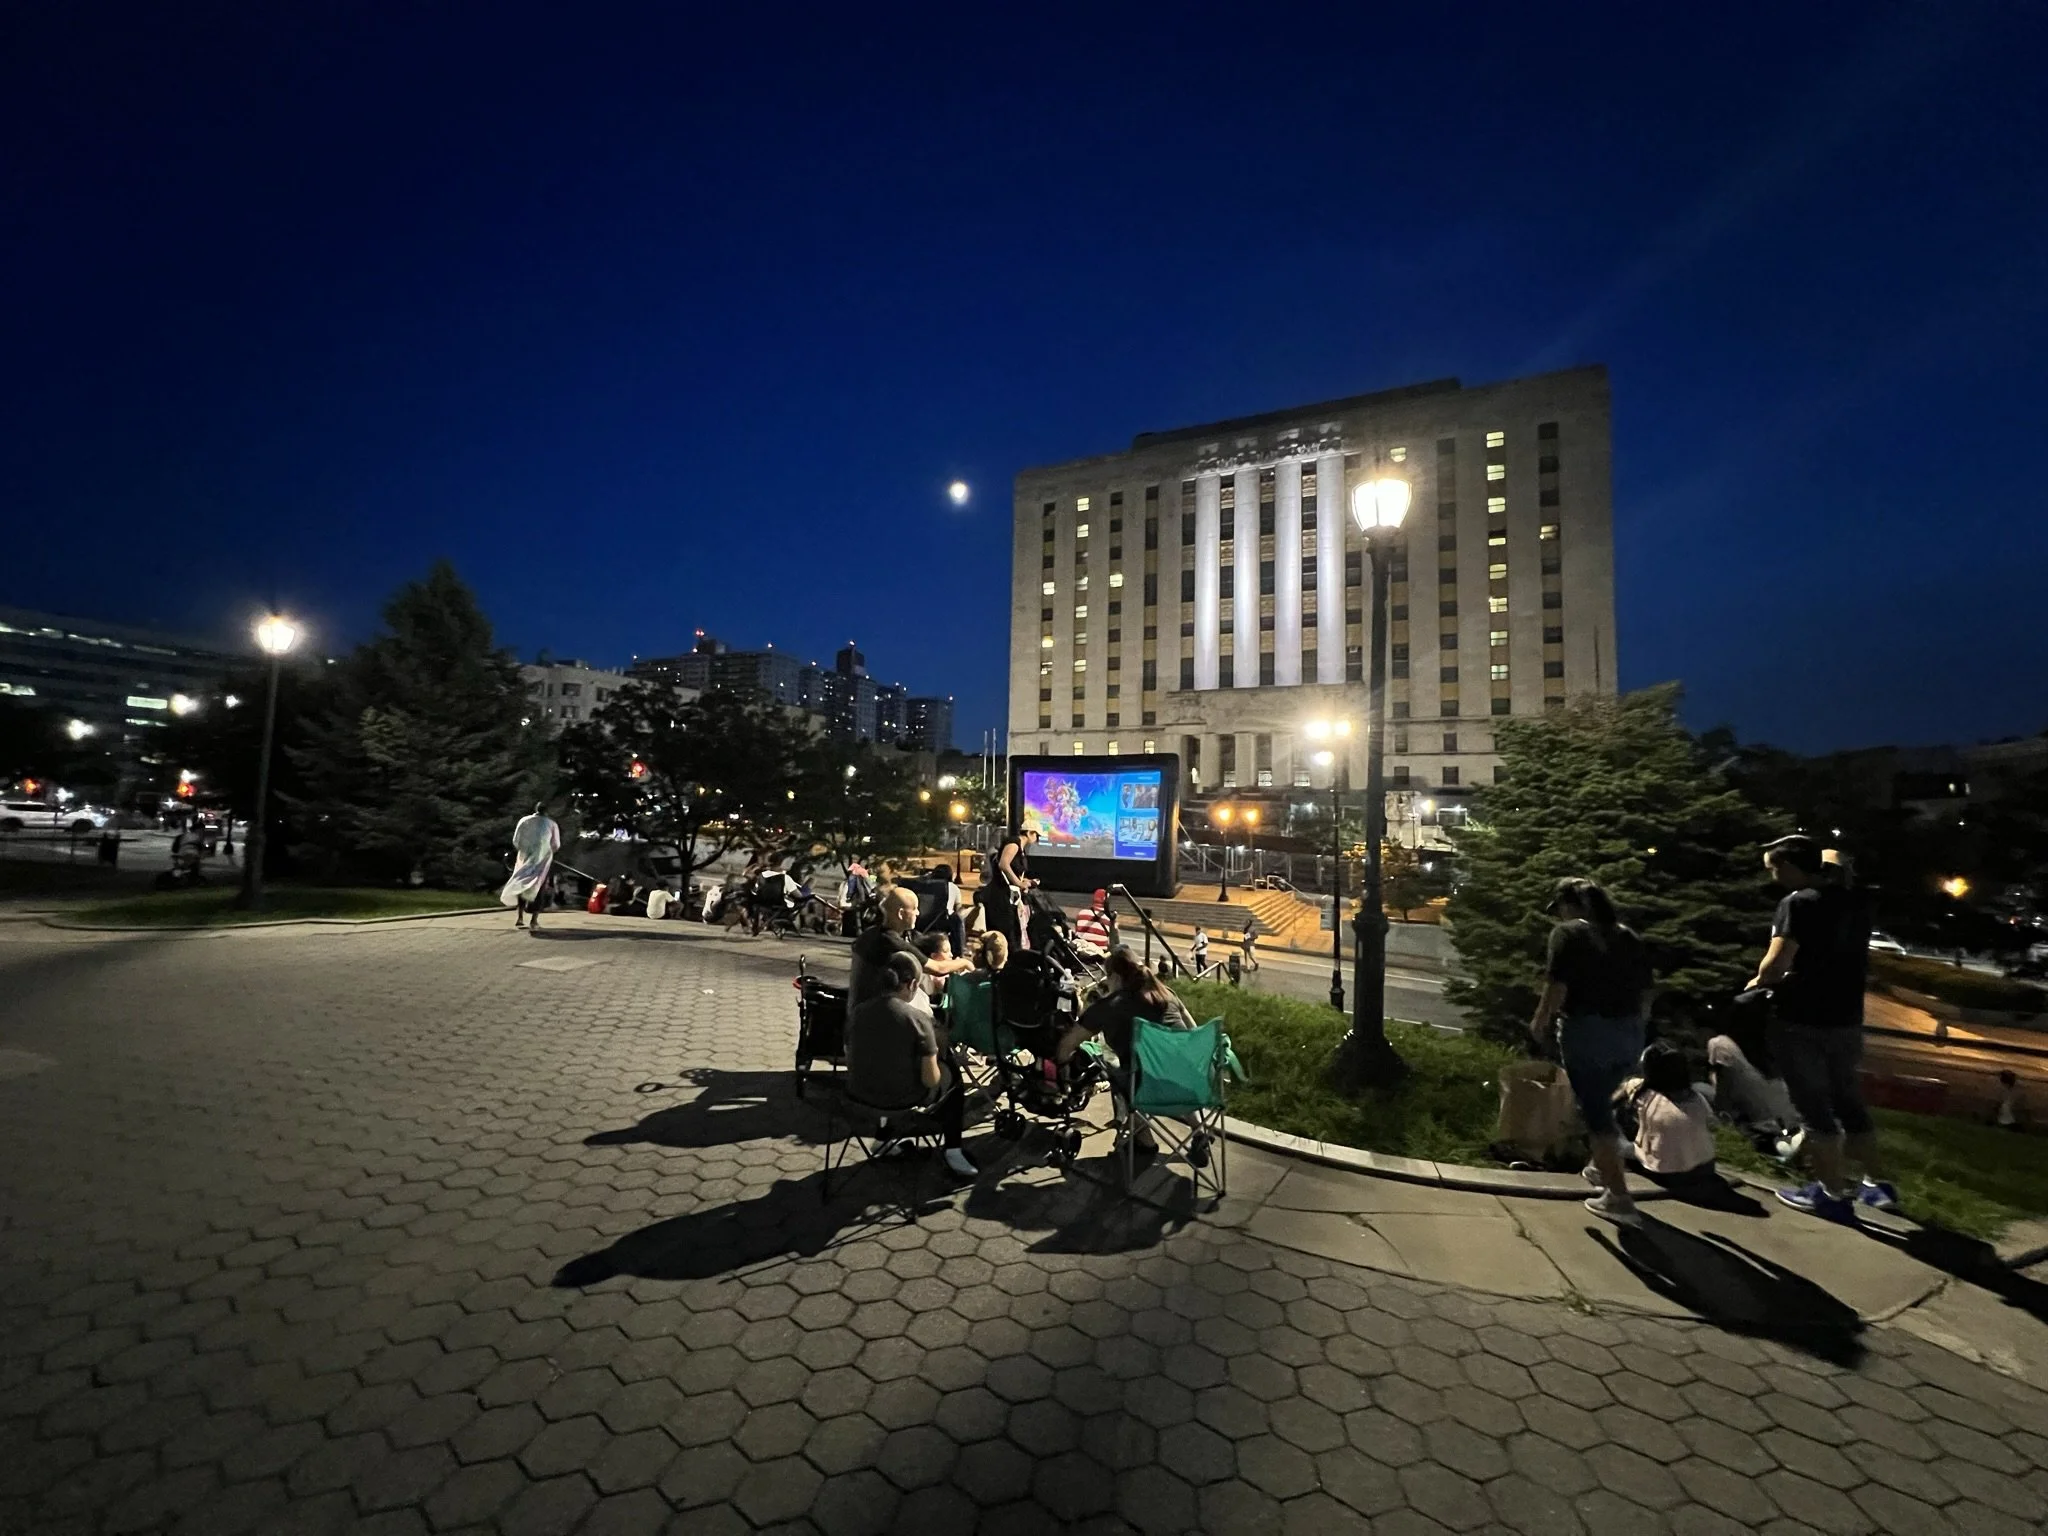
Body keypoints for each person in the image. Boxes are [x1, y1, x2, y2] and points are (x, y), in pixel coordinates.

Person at [1747, 834, 1896, 1220]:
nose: (1773, 877)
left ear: (1790, 866)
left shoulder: (1797, 903)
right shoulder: (1857, 903)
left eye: (1774, 868)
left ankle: (1831, 1194)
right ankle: (1878, 1184)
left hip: (1802, 1018)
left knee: (1813, 1108)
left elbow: (1776, 964)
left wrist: (1756, 983)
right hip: (1846, 1018)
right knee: (1849, 1101)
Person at [1529, 876, 1656, 1227]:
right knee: (1608, 1102)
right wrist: (1636, 1027)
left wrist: (1539, 1023)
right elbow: (1647, 991)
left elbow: (1556, 986)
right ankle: (1602, 1167)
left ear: (1569, 906)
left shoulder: (1568, 934)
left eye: (1559, 908)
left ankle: (1619, 1198)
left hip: (1587, 1030)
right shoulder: (1627, 935)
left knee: (1595, 1113)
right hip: (1629, 1031)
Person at [845, 951, 976, 1179]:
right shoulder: (918, 1020)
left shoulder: (857, 1012)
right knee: (954, 1079)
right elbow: (930, 1080)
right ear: (913, 984)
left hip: (858, 1094)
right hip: (902, 1100)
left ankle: (883, 1140)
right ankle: (953, 1150)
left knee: (886, 1070)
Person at [1074, 947, 1198, 1155]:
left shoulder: (1117, 1005)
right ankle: (1199, 1131)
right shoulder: (1167, 993)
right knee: (1172, 1068)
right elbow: (1193, 1032)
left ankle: (1144, 1141)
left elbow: (1076, 1036)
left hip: (1150, 1091)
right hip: (1192, 1083)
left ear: (1115, 977)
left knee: (1119, 1073)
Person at [850, 887, 973, 1013]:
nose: (918, 913)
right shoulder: (889, 941)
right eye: (914, 908)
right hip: (873, 1013)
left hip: (863, 1009)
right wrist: (964, 963)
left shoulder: (873, 934)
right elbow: (937, 969)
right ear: (901, 914)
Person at [1627, 1043, 1719, 1189]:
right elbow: (1711, 1124)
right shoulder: (1698, 1097)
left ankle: (1599, 1174)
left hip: (1671, 1176)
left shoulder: (1645, 1095)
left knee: (1613, 1138)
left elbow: (1624, 1090)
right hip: (1706, 1169)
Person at [500, 802, 560, 933]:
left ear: (536, 809)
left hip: (524, 859)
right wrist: (545, 850)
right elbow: (556, 845)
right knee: (539, 887)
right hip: (542, 861)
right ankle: (534, 920)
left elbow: (516, 840)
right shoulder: (551, 824)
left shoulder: (524, 821)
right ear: (547, 811)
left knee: (522, 884)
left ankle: (520, 917)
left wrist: (525, 851)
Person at [979, 828, 1039, 951]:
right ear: (1029, 833)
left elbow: (1013, 870)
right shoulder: (1014, 844)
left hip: (1009, 894)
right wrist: (1019, 883)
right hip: (1000, 894)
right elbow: (1003, 864)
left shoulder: (1021, 848)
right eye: (1036, 835)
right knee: (1005, 932)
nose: (1037, 839)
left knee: (1013, 931)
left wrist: (1024, 881)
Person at [1074, 889, 1115, 953]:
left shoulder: (1081, 913)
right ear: (1106, 902)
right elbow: (1114, 943)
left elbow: (1077, 932)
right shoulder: (1109, 918)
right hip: (1099, 954)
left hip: (1081, 952)